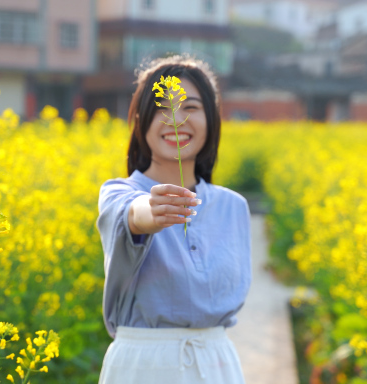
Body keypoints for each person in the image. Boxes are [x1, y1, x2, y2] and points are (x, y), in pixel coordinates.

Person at [96, 55, 252, 384]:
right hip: (142, 367)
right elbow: (132, 214)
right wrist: (148, 213)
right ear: (141, 119)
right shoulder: (118, 194)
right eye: (163, 108)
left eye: (191, 108)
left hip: (217, 364)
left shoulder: (233, 206)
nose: (177, 119)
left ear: (211, 120)